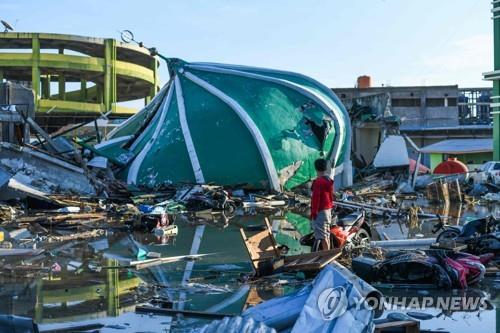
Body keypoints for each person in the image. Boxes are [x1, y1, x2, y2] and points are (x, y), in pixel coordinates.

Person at [310, 158, 334, 251]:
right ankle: (327, 255)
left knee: (322, 237)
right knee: (326, 234)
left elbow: (316, 199)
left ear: (316, 168)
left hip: (320, 211)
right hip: (328, 210)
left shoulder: (318, 182)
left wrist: (313, 214)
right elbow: (331, 197)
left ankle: (326, 257)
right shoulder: (329, 180)